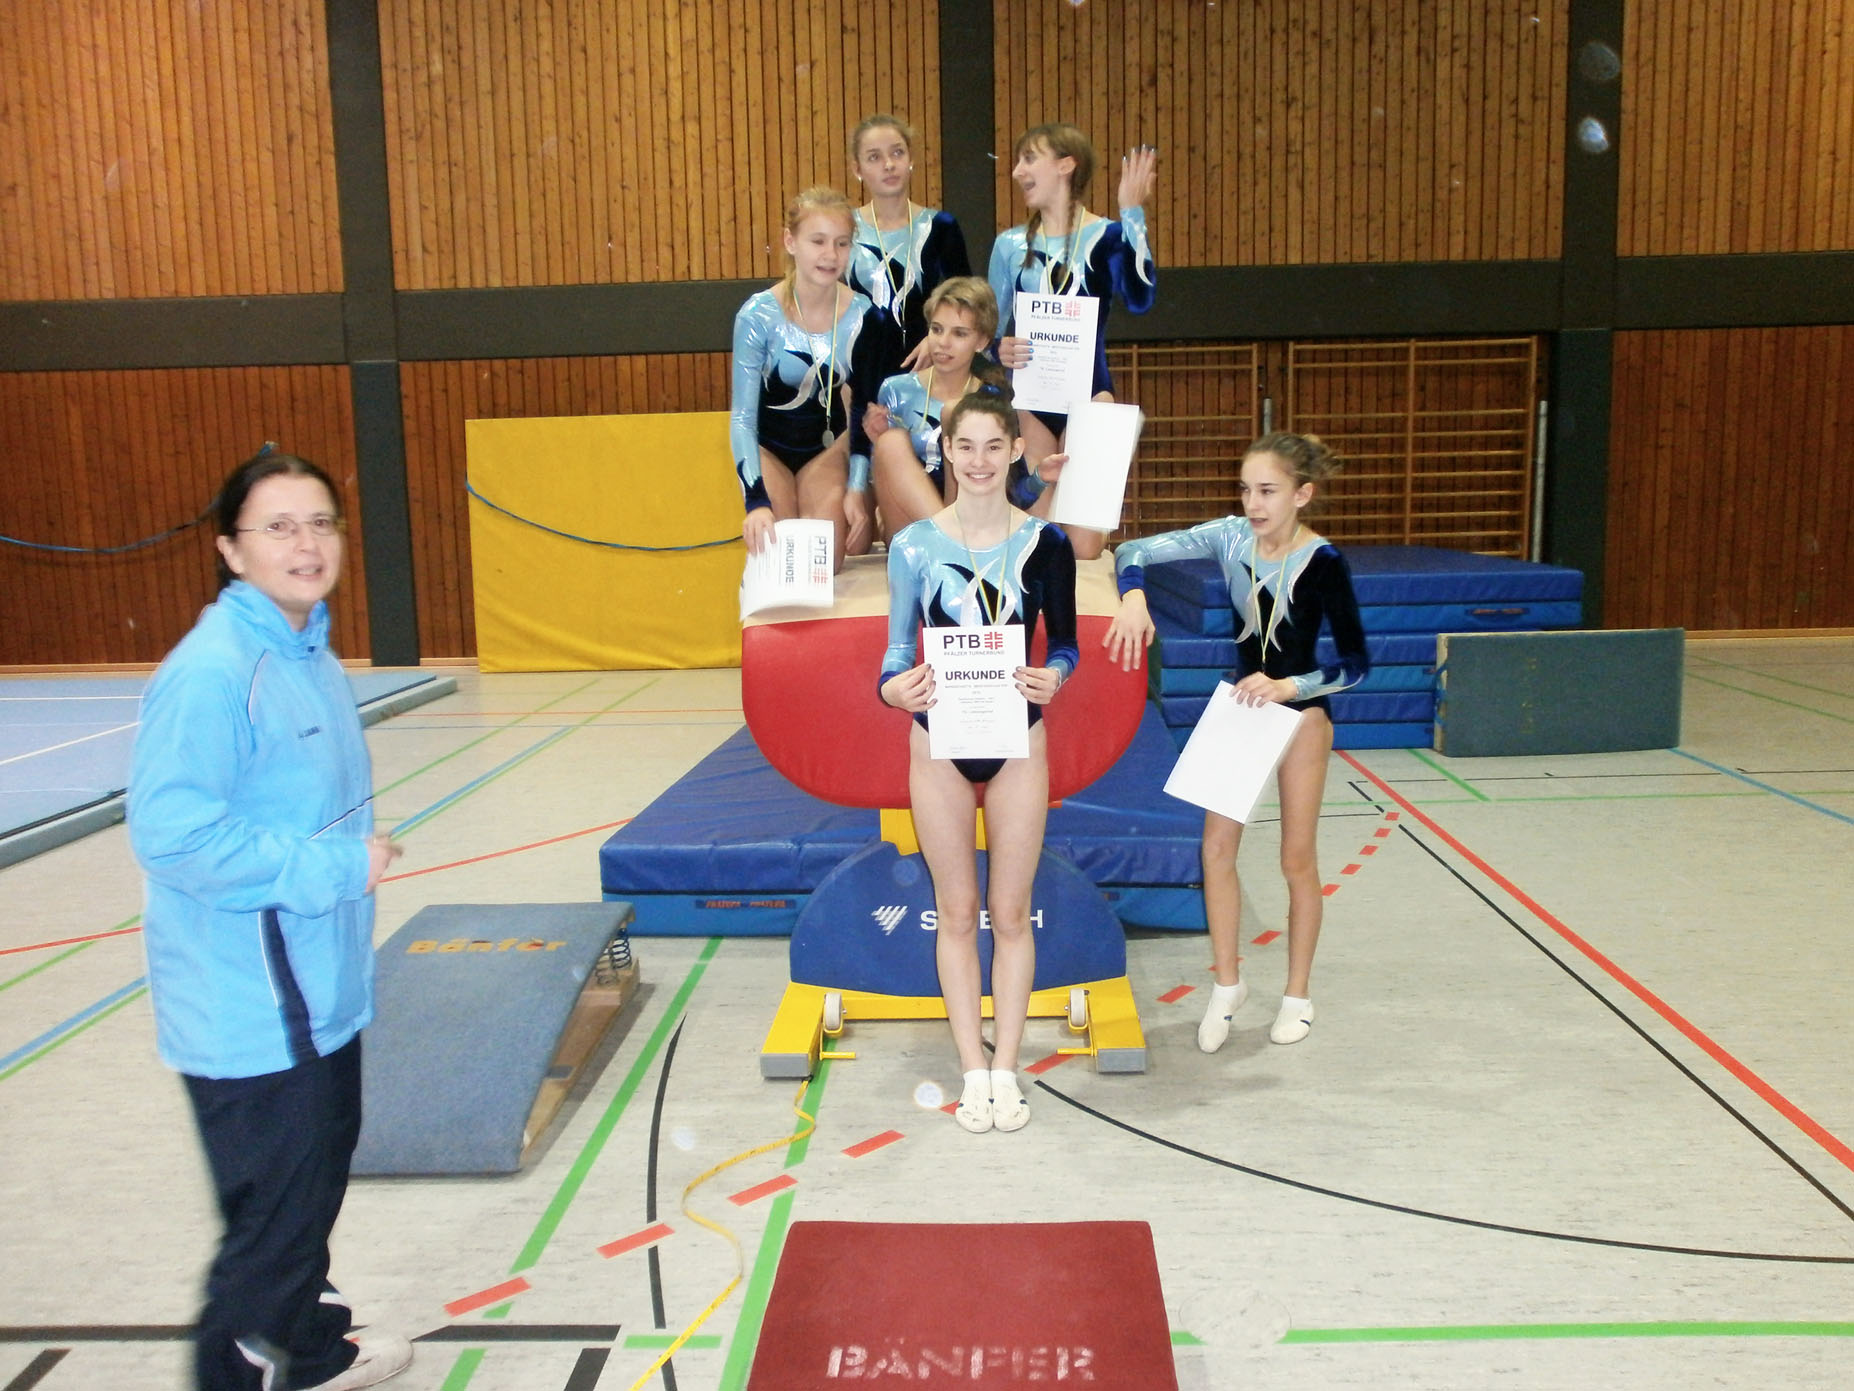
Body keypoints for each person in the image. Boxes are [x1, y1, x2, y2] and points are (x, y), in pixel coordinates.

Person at [128, 449, 409, 1390]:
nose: (307, 543)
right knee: (270, 1229)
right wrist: (336, 865)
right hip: (252, 1008)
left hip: (318, 988)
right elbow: (173, 835)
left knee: (307, 1196)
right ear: (231, 550)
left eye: (321, 522)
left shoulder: (307, 652)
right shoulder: (214, 671)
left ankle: (311, 1349)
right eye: (279, 526)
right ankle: (239, 1370)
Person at [1104, 432, 1368, 1050]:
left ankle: (1297, 994)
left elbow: (1355, 663)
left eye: (1267, 491)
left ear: (1302, 494)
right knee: (1215, 850)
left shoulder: (1323, 562)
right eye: (1246, 489)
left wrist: (1290, 686)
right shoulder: (1229, 537)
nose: (1253, 503)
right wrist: (1134, 597)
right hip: (1242, 707)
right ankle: (1227, 984)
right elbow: (1132, 549)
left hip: (1301, 716)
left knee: (1295, 859)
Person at [879, 393, 1078, 1134]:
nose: (980, 461)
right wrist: (892, 689)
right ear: (946, 450)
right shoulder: (913, 546)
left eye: (995, 446)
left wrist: (1055, 675)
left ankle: (1006, 1070)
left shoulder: (1046, 543)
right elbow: (896, 652)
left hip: (1018, 738)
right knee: (958, 911)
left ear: (1017, 451)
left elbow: (1066, 645)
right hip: (938, 740)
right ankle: (971, 1069)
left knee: (1011, 912)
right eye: (966, 446)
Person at [990, 123, 1158, 562]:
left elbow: (1140, 300)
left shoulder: (1108, 237)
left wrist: (1132, 213)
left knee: (1084, 547)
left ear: (1066, 165)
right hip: (1031, 402)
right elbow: (989, 331)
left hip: (1091, 395)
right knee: (1036, 540)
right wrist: (998, 349)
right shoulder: (1009, 245)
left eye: (1029, 159)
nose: (1016, 171)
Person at [731, 187, 884, 565]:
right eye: (818, 241)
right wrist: (756, 501)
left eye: (841, 243)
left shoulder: (864, 316)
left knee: (823, 562)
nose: (830, 254)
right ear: (791, 241)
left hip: (826, 450)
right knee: (781, 557)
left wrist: (855, 487)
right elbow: (742, 418)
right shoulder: (758, 316)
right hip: (769, 449)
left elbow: (862, 410)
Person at [867, 276, 1010, 535]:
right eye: (936, 329)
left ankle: (949, 538)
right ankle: (949, 539)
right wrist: (877, 444)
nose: (943, 342)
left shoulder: (990, 397)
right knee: (890, 443)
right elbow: (881, 479)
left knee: (957, 415)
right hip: (910, 523)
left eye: (959, 333)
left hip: (971, 517)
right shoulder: (896, 390)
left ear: (981, 342)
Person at [845, 113, 972, 380]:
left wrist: (936, 340)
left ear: (911, 159)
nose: (889, 165)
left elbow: (967, 300)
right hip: (857, 373)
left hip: (928, 370)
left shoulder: (941, 226)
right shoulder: (844, 229)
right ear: (857, 169)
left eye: (897, 153)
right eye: (874, 157)